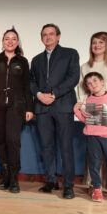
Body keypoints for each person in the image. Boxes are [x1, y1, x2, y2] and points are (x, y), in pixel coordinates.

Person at [30, 23, 80, 199]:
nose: (48, 37)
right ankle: (51, 180)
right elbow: (32, 82)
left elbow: (73, 77)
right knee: (46, 147)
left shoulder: (70, 53)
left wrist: (54, 94)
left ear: (58, 36)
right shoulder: (36, 60)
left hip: (63, 106)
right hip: (42, 108)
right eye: (44, 34)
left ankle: (68, 185)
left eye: (51, 34)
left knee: (66, 147)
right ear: (41, 38)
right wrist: (38, 95)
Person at [0, 28, 33, 193]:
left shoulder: (22, 61)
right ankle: (5, 175)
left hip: (16, 106)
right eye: (7, 38)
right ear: (2, 41)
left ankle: (14, 178)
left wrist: (29, 108)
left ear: (17, 42)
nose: (10, 41)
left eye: (14, 39)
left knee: (12, 141)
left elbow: (27, 87)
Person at [77, 32, 107, 187]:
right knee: (95, 151)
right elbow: (82, 90)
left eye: (101, 42)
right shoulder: (86, 67)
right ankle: (95, 185)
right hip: (92, 106)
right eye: (94, 42)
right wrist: (83, 105)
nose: (97, 45)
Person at [74, 72, 107, 202]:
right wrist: (77, 110)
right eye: (89, 83)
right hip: (92, 136)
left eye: (95, 81)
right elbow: (86, 120)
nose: (92, 84)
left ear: (102, 81)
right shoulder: (88, 100)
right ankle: (97, 189)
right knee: (94, 164)